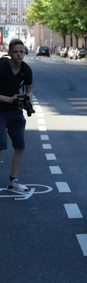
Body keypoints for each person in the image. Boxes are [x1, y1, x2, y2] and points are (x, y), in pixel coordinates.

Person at [0, 39, 33, 192]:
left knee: (20, 145)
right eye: (16, 51)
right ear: (9, 53)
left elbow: (29, 90)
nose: (19, 54)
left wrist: (26, 101)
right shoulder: (2, 66)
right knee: (0, 144)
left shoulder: (26, 69)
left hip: (15, 111)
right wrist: (8, 99)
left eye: (22, 51)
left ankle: (14, 180)